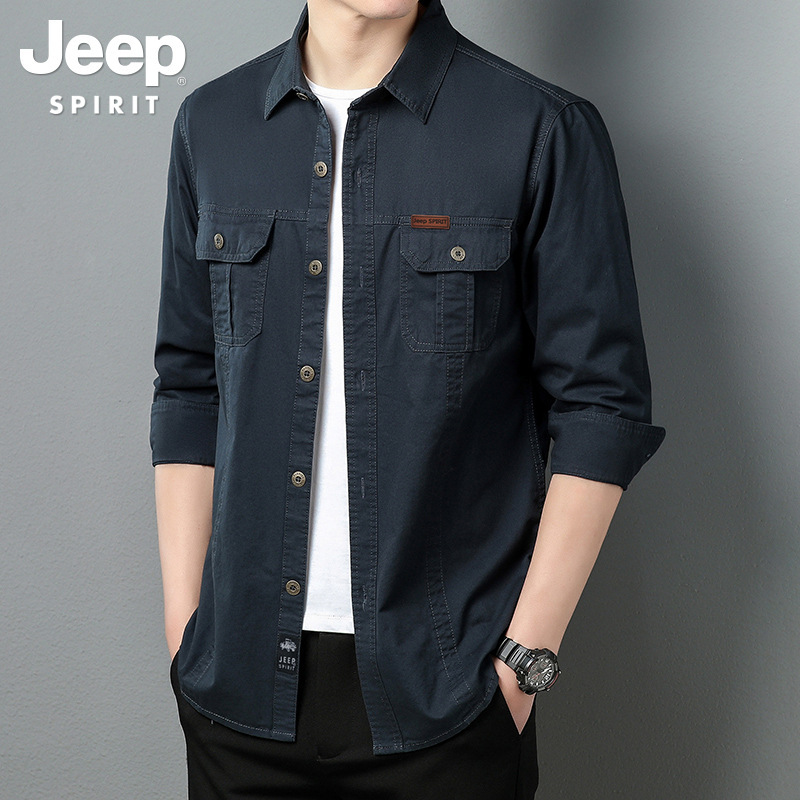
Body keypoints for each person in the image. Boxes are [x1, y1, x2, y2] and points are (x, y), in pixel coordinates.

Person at [149, 0, 666, 797]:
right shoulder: (212, 125)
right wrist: (187, 633)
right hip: (239, 693)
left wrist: (523, 665)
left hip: (450, 702)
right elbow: (189, 387)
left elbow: (603, 409)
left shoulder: (540, 129)